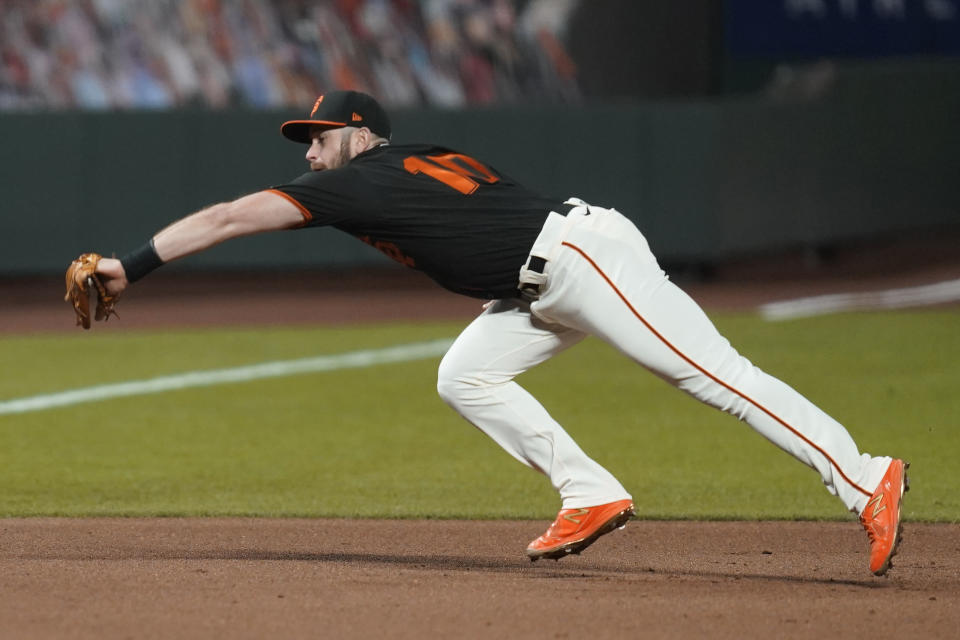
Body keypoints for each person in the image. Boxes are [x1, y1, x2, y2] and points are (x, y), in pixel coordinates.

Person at [93, 90, 907, 575]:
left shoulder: (360, 179)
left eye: (321, 135)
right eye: (304, 139)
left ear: (361, 134)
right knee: (464, 375)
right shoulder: (409, 158)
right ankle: (590, 492)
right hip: (540, 281)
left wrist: (132, 265)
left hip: (579, 261)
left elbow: (231, 216)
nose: (311, 149)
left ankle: (864, 475)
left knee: (713, 376)